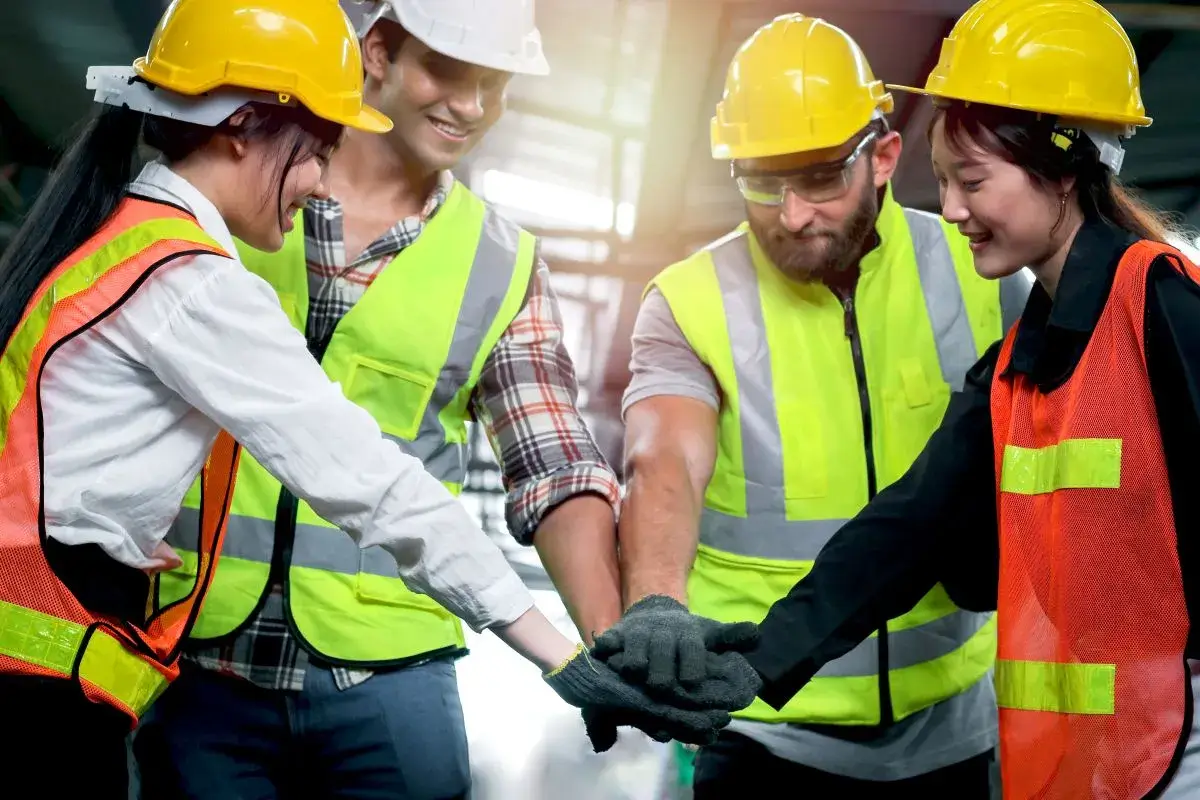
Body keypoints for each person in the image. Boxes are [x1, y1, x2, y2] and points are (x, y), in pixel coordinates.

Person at [0, 1, 753, 795]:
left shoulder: (137, 236)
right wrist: (559, 656)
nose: (471, 105)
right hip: (172, 667)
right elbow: (369, 479)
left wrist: (614, 638)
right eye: (316, 153)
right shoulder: (197, 272)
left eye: (495, 84)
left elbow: (555, 464)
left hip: (375, 660)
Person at [731, 1, 1200, 798]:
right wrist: (750, 663)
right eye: (945, 181)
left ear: (1065, 166)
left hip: (1180, 751)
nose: (950, 210)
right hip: (1095, 764)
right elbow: (910, 525)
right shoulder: (1019, 363)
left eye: (972, 181)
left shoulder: (1164, 309)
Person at [594, 13, 1029, 797]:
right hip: (763, 730)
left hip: (951, 730)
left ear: (883, 157)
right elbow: (663, 462)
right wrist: (656, 601)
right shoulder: (690, 302)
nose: (793, 213)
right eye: (763, 181)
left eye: (822, 178)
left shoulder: (984, 275)